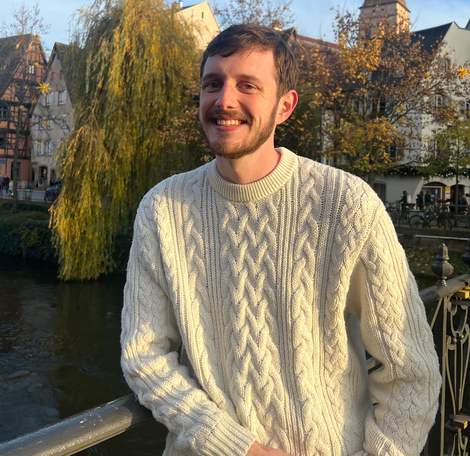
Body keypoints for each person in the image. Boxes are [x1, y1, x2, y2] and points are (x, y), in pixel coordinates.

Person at [121, 24, 441, 456]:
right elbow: (144, 356)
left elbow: (411, 373)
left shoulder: (346, 204)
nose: (224, 100)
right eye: (212, 83)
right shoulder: (161, 209)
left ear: (284, 106)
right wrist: (239, 448)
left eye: (247, 85)